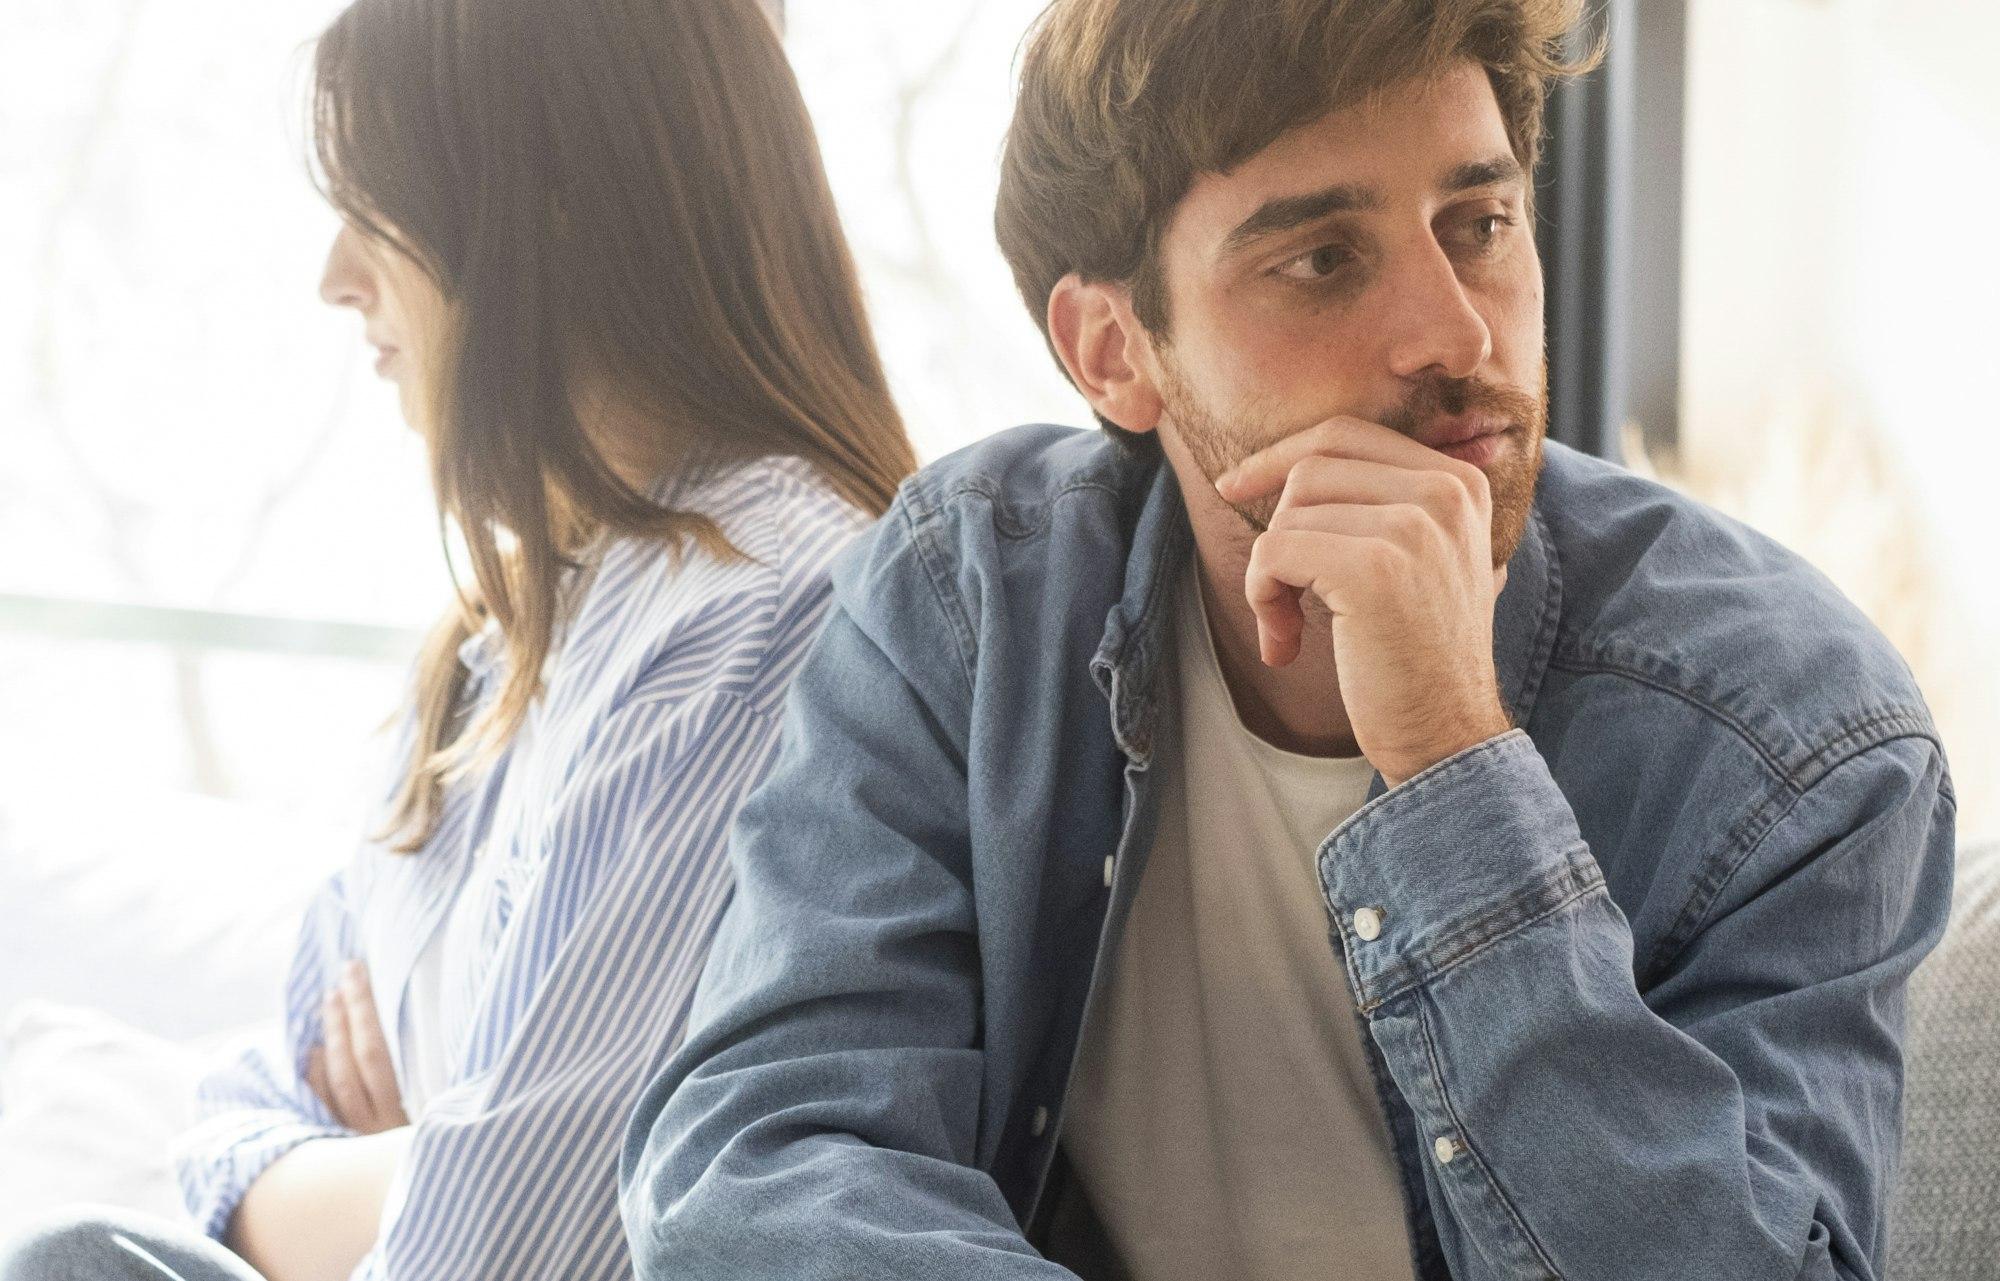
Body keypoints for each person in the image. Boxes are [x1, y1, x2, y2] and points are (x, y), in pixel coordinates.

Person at [618, 0, 1956, 1277]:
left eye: (1479, 223)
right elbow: (757, 1168)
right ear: (1111, 351)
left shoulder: (1796, 729)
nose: (1455, 329)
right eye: (1322, 259)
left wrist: (1453, 763)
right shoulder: (975, 600)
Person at [0, 0, 913, 1277]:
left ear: (537, 212)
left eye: (378, 206)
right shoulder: (499, 642)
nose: (334, 274)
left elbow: (496, 1249)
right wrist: (418, 1161)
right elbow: (243, 1102)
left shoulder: (763, 617)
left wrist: (421, 1163)